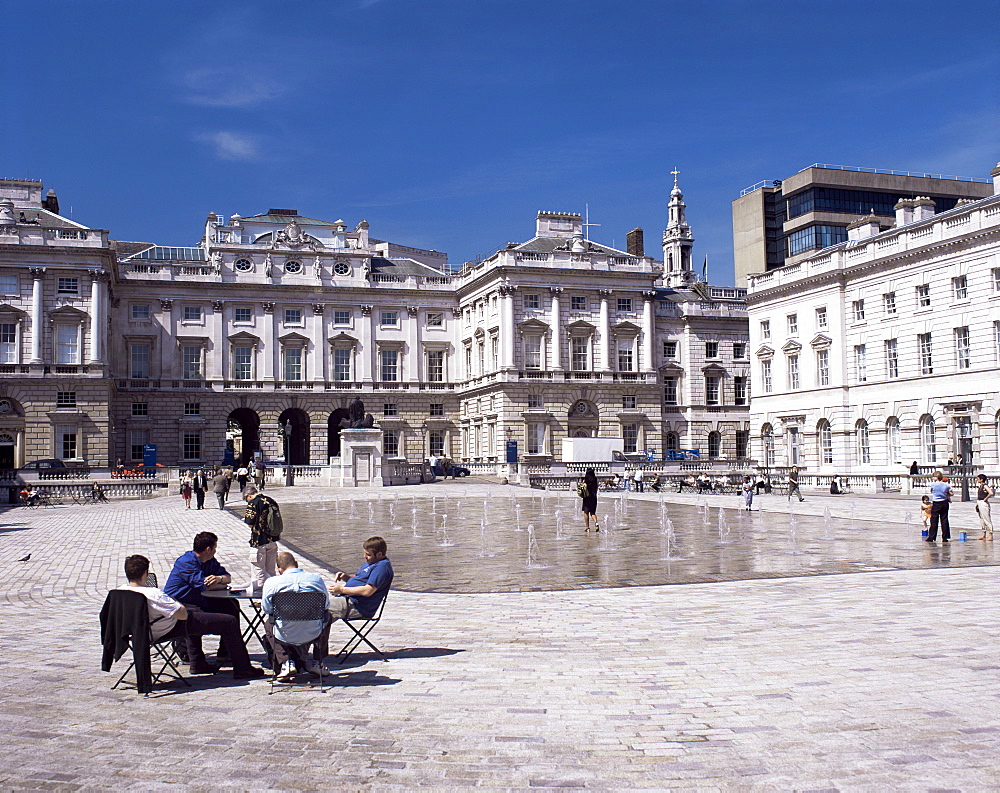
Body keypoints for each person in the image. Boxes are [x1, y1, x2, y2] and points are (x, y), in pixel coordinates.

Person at [121, 554, 263, 679]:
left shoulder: (119, 593)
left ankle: (200, 661)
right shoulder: (154, 594)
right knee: (228, 621)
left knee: (224, 607)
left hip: (138, 632)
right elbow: (182, 614)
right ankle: (242, 668)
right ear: (146, 573)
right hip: (168, 628)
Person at [163, 531, 242, 664]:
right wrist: (221, 585)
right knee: (195, 615)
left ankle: (225, 651)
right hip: (178, 603)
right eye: (215, 548)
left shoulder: (210, 561)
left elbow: (227, 577)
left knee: (231, 605)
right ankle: (191, 656)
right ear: (208, 549)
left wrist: (219, 578)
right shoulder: (186, 562)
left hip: (198, 599)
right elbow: (205, 587)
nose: (215, 551)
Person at [261, 551, 332, 681]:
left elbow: (267, 608)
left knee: (268, 623)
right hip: (313, 631)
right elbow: (326, 605)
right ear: (297, 564)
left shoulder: (272, 582)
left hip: (284, 633)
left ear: (279, 570)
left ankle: (285, 662)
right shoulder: (316, 579)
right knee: (328, 617)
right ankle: (318, 661)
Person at [330, 536, 394, 619]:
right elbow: (361, 579)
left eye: (368, 554)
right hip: (348, 599)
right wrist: (346, 577)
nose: (365, 556)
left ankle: (315, 630)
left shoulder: (381, 567)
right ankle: (316, 629)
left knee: (321, 609)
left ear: (379, 554)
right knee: (317, 607)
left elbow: (368, 591)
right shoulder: (372, 562)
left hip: (358, 606)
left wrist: (342, 590)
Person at [242, 484, 279, 591]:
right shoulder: (270, 500)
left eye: (246, 499)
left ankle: (260, 597)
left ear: (248, 495)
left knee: (258, 570)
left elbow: (250, 522)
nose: (247, 501)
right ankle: (271, 594)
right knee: (271, 570)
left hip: (258, 540)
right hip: (272, 539)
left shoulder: (253, 503)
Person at [925, 471, 952, 542]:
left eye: (933, 476)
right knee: (944, 519)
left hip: (936, 502)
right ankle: (945, 537)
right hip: (944, 502)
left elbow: (931, 491)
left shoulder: (933, 484)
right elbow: (951, 492)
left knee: (934, 520)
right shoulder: (946, 485)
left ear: (936, 477)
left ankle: (932, 536)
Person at [579, 468, 600, 532]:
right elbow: (596, 488)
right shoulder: (595, 479)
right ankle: (596, 523)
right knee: (592, 512)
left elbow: (582, 488)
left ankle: (587, 527)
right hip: (594, 497)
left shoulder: (586, 480)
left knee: (586, 512)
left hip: (587, 497)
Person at [975, 473, 994, 541]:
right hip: (980, 503)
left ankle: (990, 535)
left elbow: (991, 493)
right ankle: (983, 534)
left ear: (981, 479)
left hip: (983, 503)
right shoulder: (981, 486)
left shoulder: (985, 486)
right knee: (982, 519)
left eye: (978, 479)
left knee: (986, 519)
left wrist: (985, 499)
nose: (977, 480)